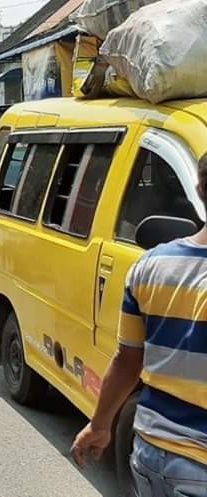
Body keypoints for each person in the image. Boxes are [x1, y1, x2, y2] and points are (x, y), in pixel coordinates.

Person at [71, 155, 207, 496]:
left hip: (148, 451)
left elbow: (127, 361)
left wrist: (99, 425)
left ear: (198, 191)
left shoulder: (151, 265)